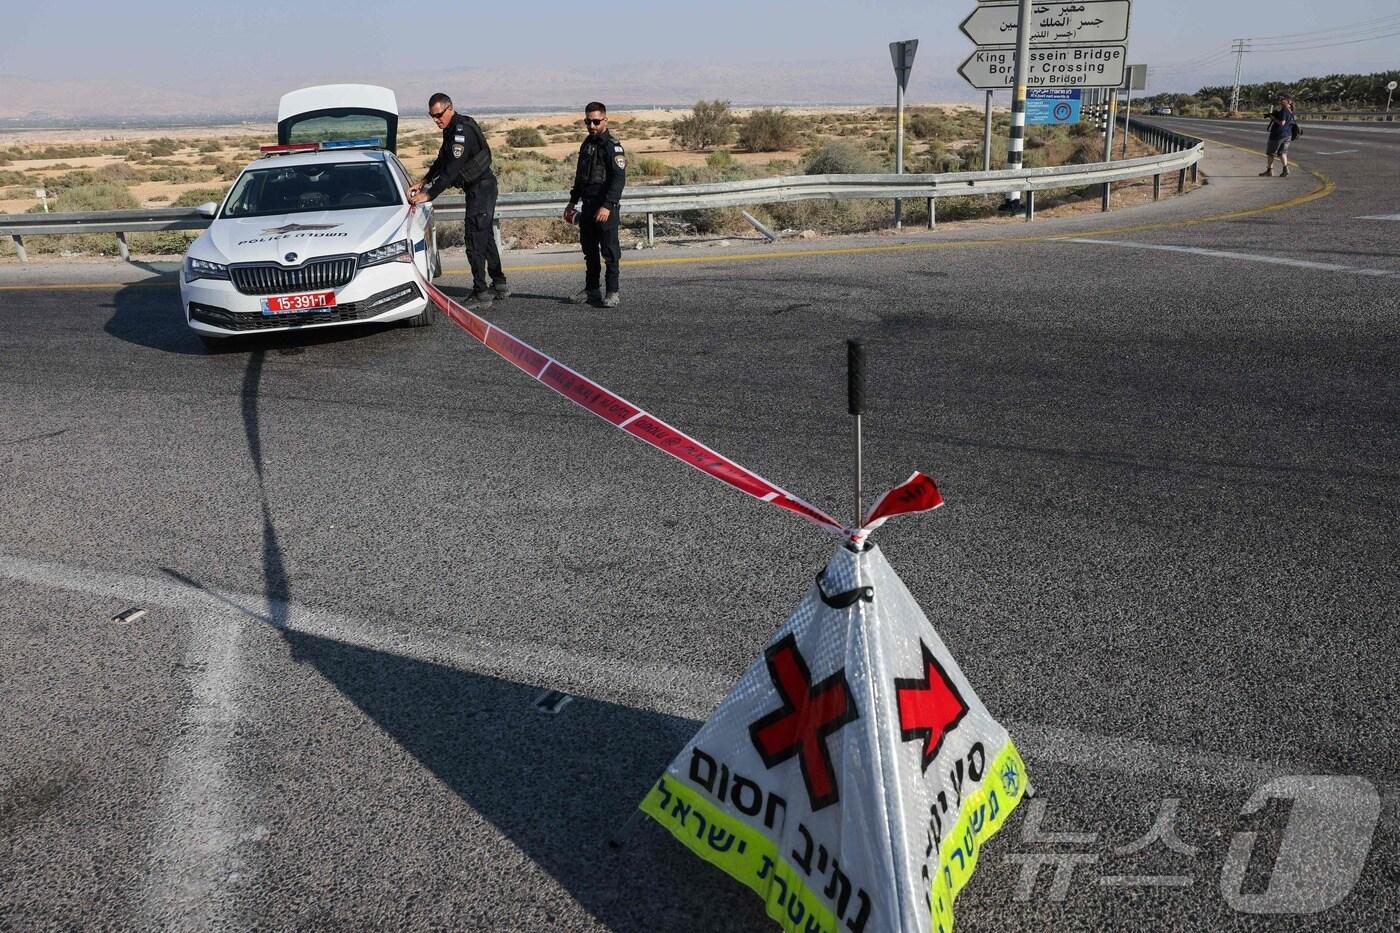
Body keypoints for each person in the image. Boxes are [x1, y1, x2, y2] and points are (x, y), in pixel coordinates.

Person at [409, 93, 509, 304]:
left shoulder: (461, 132)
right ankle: (499, 283)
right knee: (486, 236)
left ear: (450, 108)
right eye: (432, 116)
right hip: (479, 189)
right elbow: (441, 160)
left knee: (474, 240)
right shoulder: (452, 129)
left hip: (481, 190)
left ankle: (480, 293)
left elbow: (451, 170)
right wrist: (424, 180)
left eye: (438, 115)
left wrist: (429, 194)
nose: (436, 119)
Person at [564, 102, 626, 308]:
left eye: (596, 121)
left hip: (605, 208)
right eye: (588, 121)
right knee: (589, 251)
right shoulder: (587, 144)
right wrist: (573, 202)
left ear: (605, 120)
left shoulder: (612, 147)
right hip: (588, 206)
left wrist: (608, 205)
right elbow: (581, 177)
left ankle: (612, 291)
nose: (592, 125)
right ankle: (591, 290)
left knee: (609, 252)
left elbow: (618, 180)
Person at [1260, 95, 1295, 178]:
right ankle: (1285, 169)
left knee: (1270, 153)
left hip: (1278, 135)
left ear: (1286, 101)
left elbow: (1282, 122)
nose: (1279, 101)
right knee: (1282, 153)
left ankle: (1269, 171)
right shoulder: (1290, 110)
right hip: (1288, 134)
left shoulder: (1284, 110)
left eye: (1281, 100)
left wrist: (1273, 118)